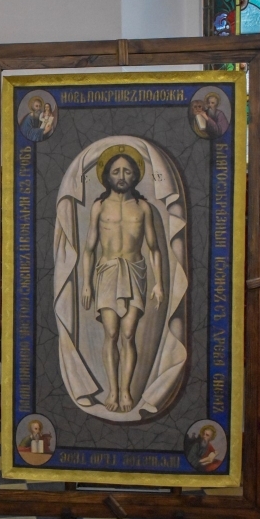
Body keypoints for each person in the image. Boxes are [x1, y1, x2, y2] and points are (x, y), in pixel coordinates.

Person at [81, 148, 163, 414]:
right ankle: (113, 391)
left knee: (128, 334)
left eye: (127, 171)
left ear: (135, 175)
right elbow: (89, 249)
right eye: (116, 171)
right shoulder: (99, 206)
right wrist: (86, 283)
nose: (121, 176)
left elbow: (154, 248)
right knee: (111, 333)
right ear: (107, 176)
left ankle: (125, 389)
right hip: (107, 272)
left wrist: (159, 283)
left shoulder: (142, 207)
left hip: (135, 271)